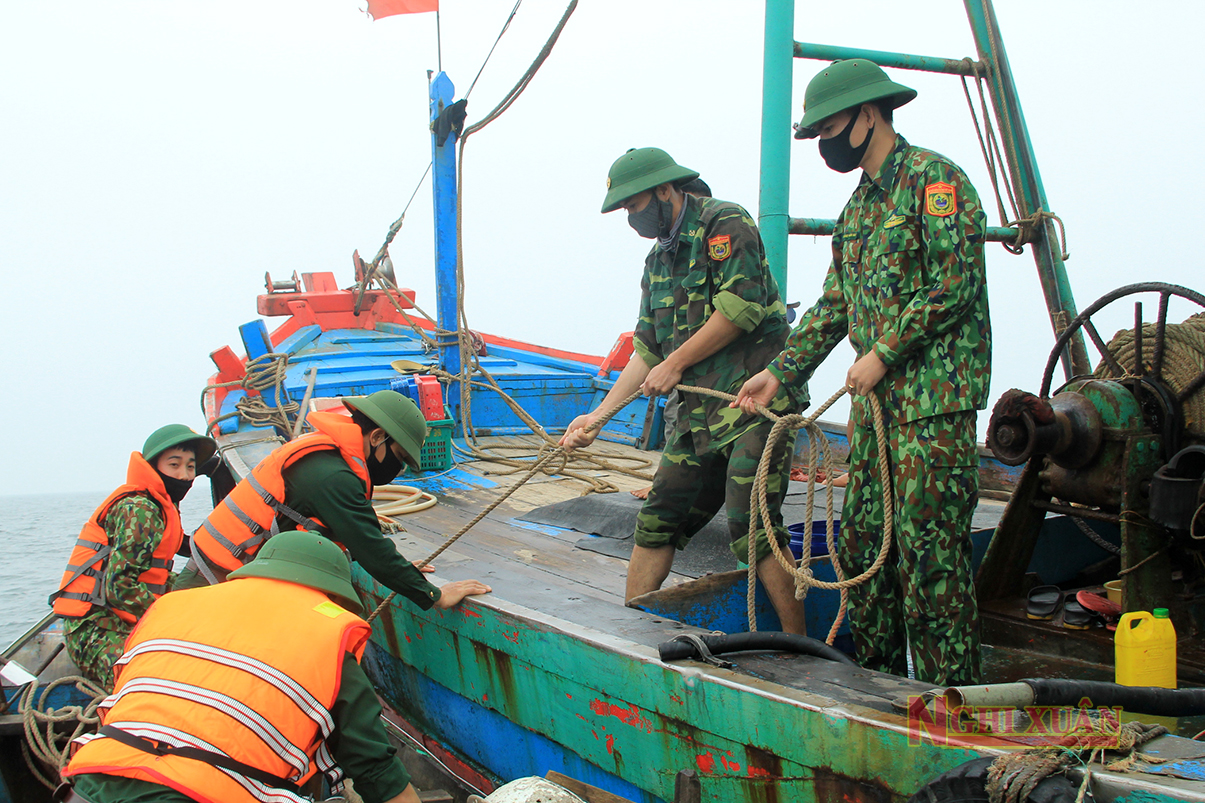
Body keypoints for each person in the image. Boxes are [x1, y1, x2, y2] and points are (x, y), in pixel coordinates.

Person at [734, 59, 992, 685]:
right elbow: (833, 306)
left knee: (930, 557)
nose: (824, 142)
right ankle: (877, 689)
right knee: (864, 552)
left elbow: (953, 286)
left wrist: (882, 353)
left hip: (932, 409)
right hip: (876, 416)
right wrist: (781, 373)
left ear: (868, 115)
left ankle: (949, 702)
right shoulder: (855, 214)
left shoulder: (937, 182)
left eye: (829, 128)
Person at [561, 147, 808, 634]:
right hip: (699, 419)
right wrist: (598, 417)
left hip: (755, 405)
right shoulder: (657, 262)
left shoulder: (725, 224)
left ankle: (799, 645)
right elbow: (648, 349)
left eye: (633, 205)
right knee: (658, 517)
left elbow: (741, 309)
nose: (631, 217)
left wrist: (676, 363)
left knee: (752, 524)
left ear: (664, 190)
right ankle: (630, 631)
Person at [61, 530, 425, 803]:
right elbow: (375, 768)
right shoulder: (326, 637)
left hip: (90, 781)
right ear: (334, 595)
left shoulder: (173, 605)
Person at [178, 390, 490, 613]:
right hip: (210, 583)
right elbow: (371, 546)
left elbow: (341, 532)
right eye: (399, 457)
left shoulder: (330, 457)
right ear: (378, 437)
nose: (399, 469)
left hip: (225, 572)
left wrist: (402, 571)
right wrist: (434, 594)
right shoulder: (333, 476)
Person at [50, 425, 216, 690]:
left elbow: (153, 575)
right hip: (96, 631)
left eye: (190, 467)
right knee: (166, 680)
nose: (184, 476)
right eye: (174, 465)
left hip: (123, 620)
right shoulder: (139, 509)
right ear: (153, 466)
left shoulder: (161, 504)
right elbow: (120, 588)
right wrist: (174, 617)